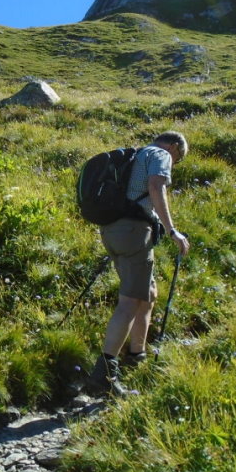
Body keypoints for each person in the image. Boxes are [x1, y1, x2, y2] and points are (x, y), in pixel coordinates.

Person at [84, 131, 190, 396]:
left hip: (112, 231)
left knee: (148, 294)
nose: (174, 162)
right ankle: (105, 375)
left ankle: (137, 353)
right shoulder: (160, 154)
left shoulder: (133, 156)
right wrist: (172, 230)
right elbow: (156, 186)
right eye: (179, 158)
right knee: (129, 301)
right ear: (175, 146)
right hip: (134, 232)